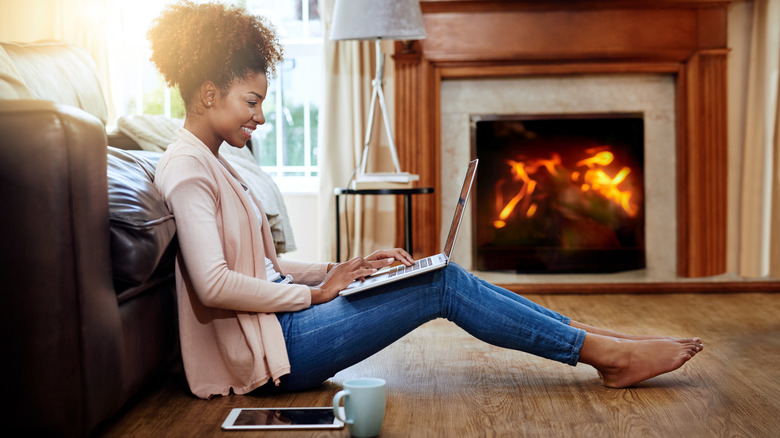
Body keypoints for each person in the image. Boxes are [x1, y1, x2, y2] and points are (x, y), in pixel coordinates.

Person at [148, 1, 703, 400]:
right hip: (275, 354)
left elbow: (261, 266)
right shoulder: (187, 170)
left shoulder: (217, 161)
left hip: (281, 327)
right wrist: (316, 294)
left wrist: (343, 269)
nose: (261, 117)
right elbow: (214, 283)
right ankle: (607, 354)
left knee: (438, 270)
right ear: (207, 93)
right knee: (440, 283)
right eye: (251, 101)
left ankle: (603, 344)